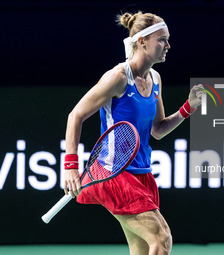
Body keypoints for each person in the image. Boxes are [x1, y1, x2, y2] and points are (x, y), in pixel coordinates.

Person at [63, 11, 203, 255]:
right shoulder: (117, 78)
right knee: (162, 238)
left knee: (140, 249)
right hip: (114, 173)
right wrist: (71, 167)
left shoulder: (155, 79)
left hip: (142, 174)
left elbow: (157, 130)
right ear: (142, 41)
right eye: (162, 39)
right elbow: (75, 116)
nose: (168, 45)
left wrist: (187, 108)